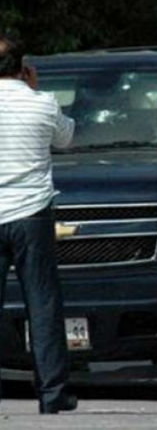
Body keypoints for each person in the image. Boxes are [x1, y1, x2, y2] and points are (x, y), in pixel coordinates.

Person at [0, 34, 76, 413]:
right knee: (43, 304)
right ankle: (51, 394)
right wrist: (34, 90)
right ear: (23, 68)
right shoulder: (43, 103)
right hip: (31, 214)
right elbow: (66, 137)